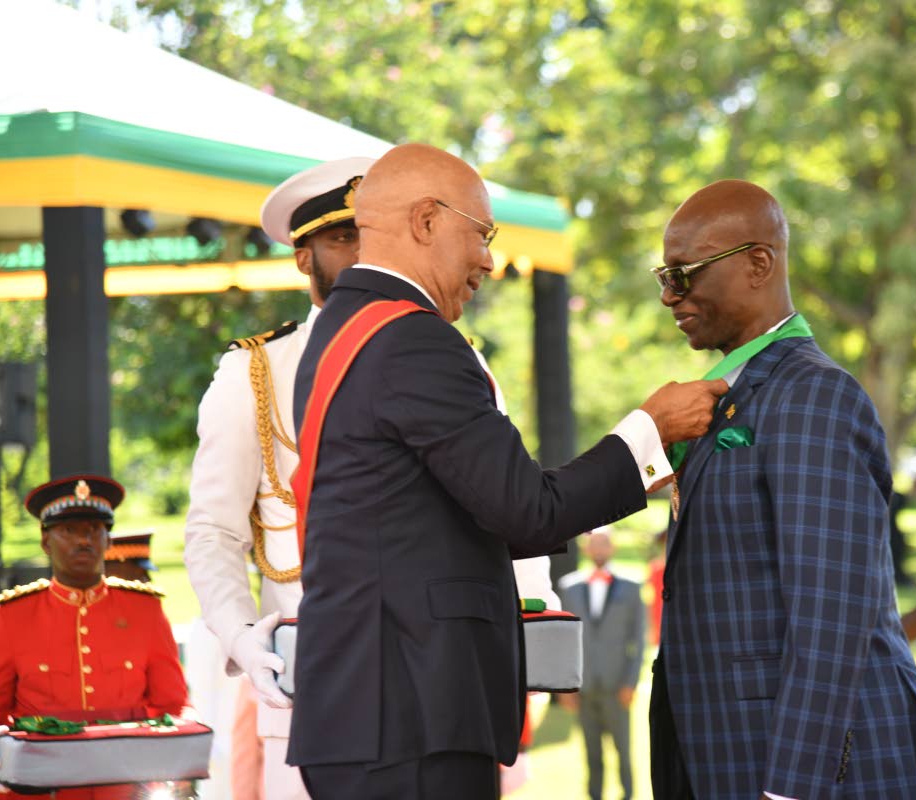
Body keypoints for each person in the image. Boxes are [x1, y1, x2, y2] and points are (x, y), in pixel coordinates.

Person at [287, 142, 725, 799]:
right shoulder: (412, 339)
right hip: (412, 718)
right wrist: (649, 433)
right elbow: (528, 510)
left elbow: (476, 514)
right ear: (427, 221)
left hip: (369, 713)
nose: (489, 260)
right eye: (482, 233)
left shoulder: (341, 332)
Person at [184, 154, 564, 800]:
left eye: (368, 234)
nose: (365, 253)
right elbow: (214, 533)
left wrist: (536, 624)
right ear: (303, 258)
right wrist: (247, 642)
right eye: (343, 239)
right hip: (307, 686)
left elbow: (503, 511)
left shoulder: (454, 355)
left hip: (446, 684)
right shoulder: (254, 372)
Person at [648, 179, 916, 800]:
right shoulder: (730, 396)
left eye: (685, 273)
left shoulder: (813, 394)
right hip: (728, 752)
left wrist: (792, 788)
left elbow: (832, 614)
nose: (668, 295)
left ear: (759, 263)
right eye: (664, 275)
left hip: (816, 771)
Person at [0, 474, 189, 799]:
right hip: (38, 790)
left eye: (95, 530)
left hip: (125, 789)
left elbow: (173, 706)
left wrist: (178, 757)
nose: (84, 540)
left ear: (109, 540)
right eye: (69, 530)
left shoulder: (145, 611)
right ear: (45, 541)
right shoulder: (9, 617)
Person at [558, 528, 645, 800]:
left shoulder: (632, 587)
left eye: (603, 544)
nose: (598, 549)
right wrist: (565, 687)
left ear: (612, 548)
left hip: (617, 685)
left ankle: (628, 795)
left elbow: (639, 640)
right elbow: (562, 640)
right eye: (593, 544)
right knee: (591, 752)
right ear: (585, 549)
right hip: (583, 686)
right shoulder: (568, 587)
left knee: (623, 751)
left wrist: (630, 683)